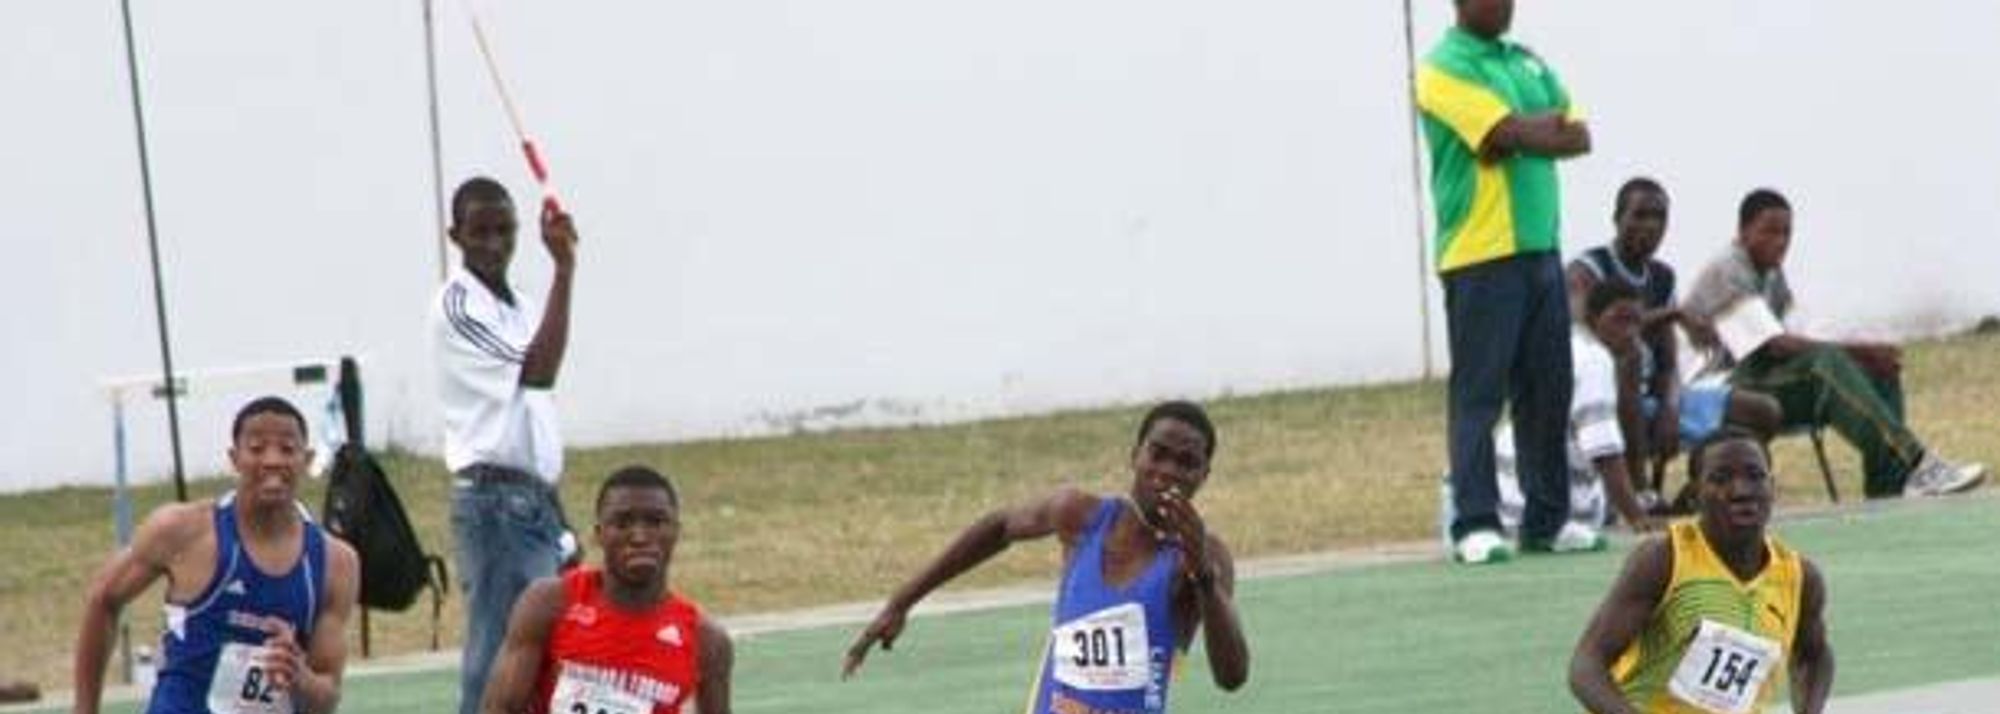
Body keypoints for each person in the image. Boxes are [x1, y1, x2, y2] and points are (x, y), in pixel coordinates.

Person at [842, 401, 1250, 713]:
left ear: (1203, 475)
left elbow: (1232, 676)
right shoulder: (1081, 516)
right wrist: (901, 602)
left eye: (1186, 463)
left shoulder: (1204, 557)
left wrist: (1203, 577)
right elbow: (1000, 526)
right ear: (1135, 456)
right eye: (1157, 453)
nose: (1167, 471)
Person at [1415, 0, 1594, 563]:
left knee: (1547, 391)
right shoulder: (1443, 66)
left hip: (1540, 247)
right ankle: (1475, 522)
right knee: (1480, 393)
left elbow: (1578, 135)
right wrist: (1523, 130)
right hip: (1480, 253)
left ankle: (1547, 520)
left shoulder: (1525, 60)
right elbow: (1505, 131)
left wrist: (1519, 135)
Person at [1681, 188, 1986, 498]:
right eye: (1770, 231)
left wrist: (1864, 356)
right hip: (1718, 390)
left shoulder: (1771, 272)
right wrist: (1859, 352)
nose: (1781, 241)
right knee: (1827, 362)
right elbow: (1774, 345)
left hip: (1760, 381)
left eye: (1786, 233)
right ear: (1743, 231)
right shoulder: (1728, 270)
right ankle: (1915, 462)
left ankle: (1889, 488)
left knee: (1879, 368)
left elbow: (1795, 334)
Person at [73, 397, 361, 714]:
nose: (272, 460)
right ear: (234, 458)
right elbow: (103, 599)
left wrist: (299, 676)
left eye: (287, 449)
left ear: (306, 460)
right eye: (257, 448)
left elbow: (326, 698)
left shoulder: (335, 563)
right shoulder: (183, 531)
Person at [433, 175, 583, 714]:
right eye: (480, 232)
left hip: (533, 499)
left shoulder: (521, 305)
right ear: (456, 235)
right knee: (499, 654)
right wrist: (565, 270)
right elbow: (538, 372)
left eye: (505, 231)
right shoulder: (458, 305)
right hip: (495, 503)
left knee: (545, 651)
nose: (494, 244)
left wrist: (557, 513)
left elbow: (530, 416)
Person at [1568, 434, 1835, 713]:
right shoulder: (1664, 558)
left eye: (1755, 476)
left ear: (1772, 488)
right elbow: (1586, 666)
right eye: (1721, 479)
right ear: (1694, 496)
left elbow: (1814, 656)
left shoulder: (1799, 577)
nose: (1741, 491)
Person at [1567, 178, 1784, 502]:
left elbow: (1668, 362)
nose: (1650, 225)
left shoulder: (1662, 276)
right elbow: (1594, 332)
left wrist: (1670, 406)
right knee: (1630, 358)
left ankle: (1699, 495)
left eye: (1659, 217)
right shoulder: (1587, 270)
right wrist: (1673, 313)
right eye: (1640, 215)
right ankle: (1641, 493)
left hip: (1649, 399)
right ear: (1617, 218)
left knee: (1762, 411)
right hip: (1602, 398)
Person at [481, 466, 733, 714]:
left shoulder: (706, 640)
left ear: (675, 531)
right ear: (599, 534)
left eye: (656, 522)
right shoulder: (550, 602)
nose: (639, 537)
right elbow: (500, 707)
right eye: (622, 523)